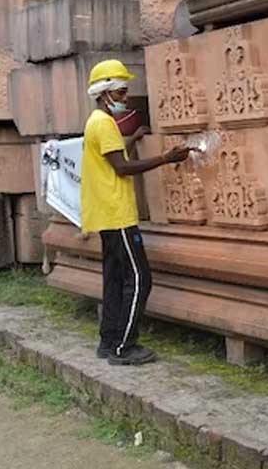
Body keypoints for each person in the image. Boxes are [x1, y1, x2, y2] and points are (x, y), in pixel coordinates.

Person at [81, 59, 191, 366]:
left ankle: (108, 341)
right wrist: (165, 158)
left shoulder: (97, 122)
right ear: (106, 93)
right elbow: (122, 167)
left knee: (114, 279)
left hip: (106, 214)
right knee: (140, 278)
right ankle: (124, 347)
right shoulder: (103, 123)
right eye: (121, 92)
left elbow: (112, 152)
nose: (125, 98)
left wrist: (134, 137)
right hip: (118, 215)